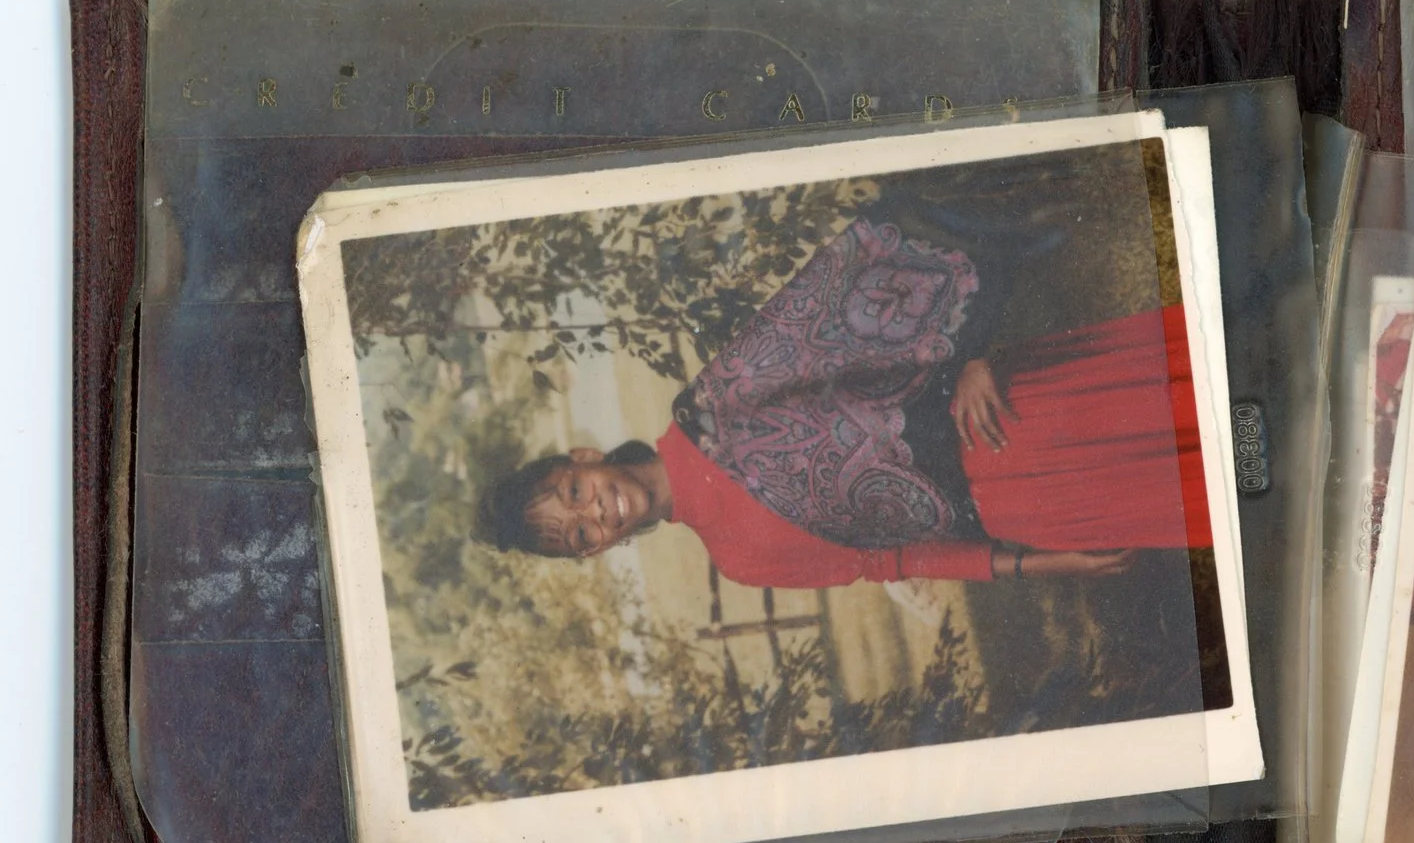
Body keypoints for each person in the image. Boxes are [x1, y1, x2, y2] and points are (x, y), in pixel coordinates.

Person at [481, 216, 1212, 589]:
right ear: (595, 552)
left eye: (572, 493)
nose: (593, 514)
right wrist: (1030, 565)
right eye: (578, 534)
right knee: (1230, 491)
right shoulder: (736, 561)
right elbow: (887, 561)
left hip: (1003, 415)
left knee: (1212, 384)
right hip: (1017, 511)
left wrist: (969, 355)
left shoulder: (712, 403)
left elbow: (840, 317)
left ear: (581, 458)